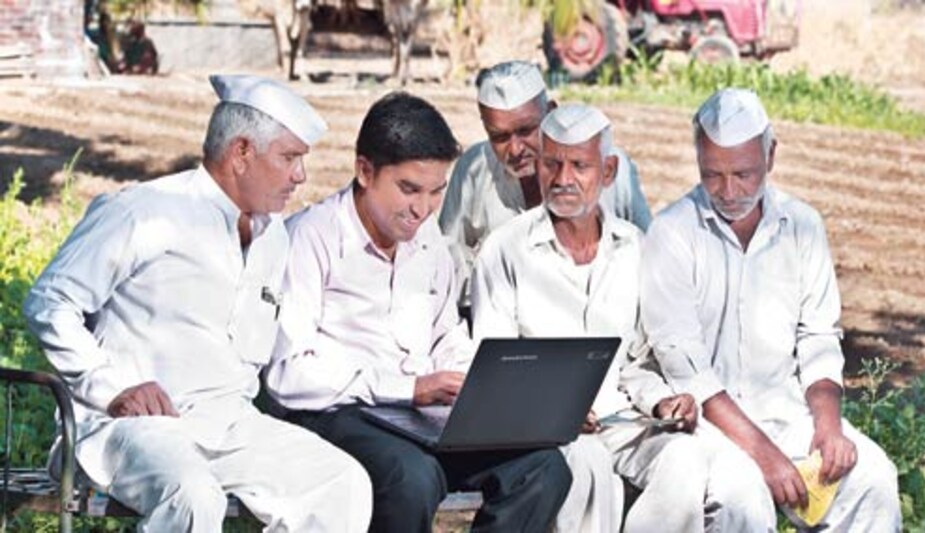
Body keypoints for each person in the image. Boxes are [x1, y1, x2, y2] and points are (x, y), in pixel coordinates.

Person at [23, 74, 372, 532]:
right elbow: (50, 301)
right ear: (241, 152)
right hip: (134, 430)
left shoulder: (274, 238)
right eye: (289, 158)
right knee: (194, 496)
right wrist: (111, 389)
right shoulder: (146, 210)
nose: (300, 176)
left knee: (342, 482)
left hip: (230, 426)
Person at [266, 91, 572, 533]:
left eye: (435, 192)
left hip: (420, 417)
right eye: (408, 189)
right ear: (364, 170)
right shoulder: (309, 238)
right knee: (413, 478)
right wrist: (407, 388)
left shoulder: (428, 239)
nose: (422, 209)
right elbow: (287, 375)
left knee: (543, 468)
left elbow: (445, 332)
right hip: (336, 413)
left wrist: (477, 388)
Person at [641, 88, 902, 531]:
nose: (728, 190)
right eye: (712, 175)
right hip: (708, 429)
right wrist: (764, 454)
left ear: (772, 156)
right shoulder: (671, 233)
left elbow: (818, 334)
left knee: (874, 478)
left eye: (743, 174)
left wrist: (828, 427)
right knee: (742, 499)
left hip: (788, 414)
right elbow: (685, 365)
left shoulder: (802, 225)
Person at [470, 104, 713, 533]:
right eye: (552, 163)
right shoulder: (505, 250)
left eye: (579, 165)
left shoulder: (635, 248)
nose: (562, 179)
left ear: (608, 171)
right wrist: (553, 410)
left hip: (625, 421)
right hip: (546, 433)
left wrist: (662, 402)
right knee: (588, 460)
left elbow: (638, 363)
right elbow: (493, 369)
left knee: (686, 455)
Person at [438, 60, 652, 306]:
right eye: (500, 137)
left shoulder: (608, 166)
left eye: (526, 130)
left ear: (551, 112)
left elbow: (650, 257)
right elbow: (447, 262)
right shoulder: (473, 169)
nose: (515, 149)